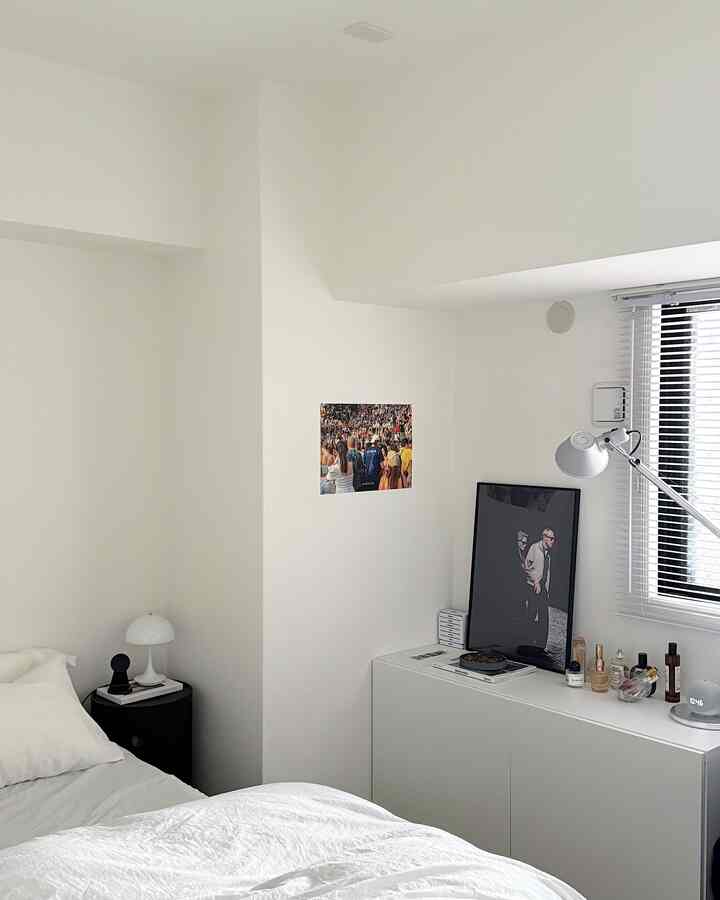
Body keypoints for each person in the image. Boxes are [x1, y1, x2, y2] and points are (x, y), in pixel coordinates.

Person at [525, 528, 555, 647]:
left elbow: (547, 573)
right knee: (531, 613)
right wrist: (535, 581)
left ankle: (541, 645)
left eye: (553, 539)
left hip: (542, 588)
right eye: (551, 538)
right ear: (544, 537)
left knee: (544, 615)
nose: (553, 541)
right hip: (532, 586)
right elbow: (527, 566)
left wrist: (546, 588)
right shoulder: (534, 548)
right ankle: (526, 640)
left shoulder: (548, 553)